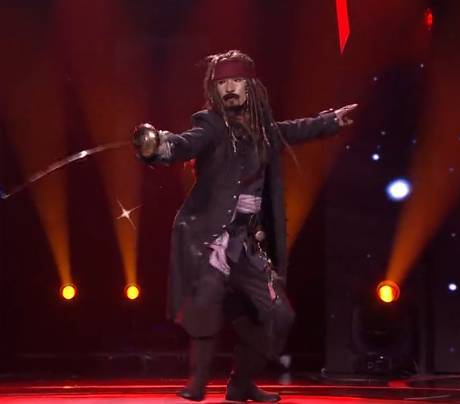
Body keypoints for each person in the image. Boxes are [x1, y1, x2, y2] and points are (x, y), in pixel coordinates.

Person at [133, 50, 357, 402]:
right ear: (214, 89)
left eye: (236, 81)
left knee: (279, 315)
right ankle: (197, 383)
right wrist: (160, 146)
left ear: (251, 86)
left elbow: (292, 130)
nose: (230, 89)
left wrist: (329, 121)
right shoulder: (210, 125)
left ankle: (241, 384)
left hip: (245, 243)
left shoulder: (263, 130)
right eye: (223, 83)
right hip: (208, 238)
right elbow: (186, 142)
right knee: (205, 306)